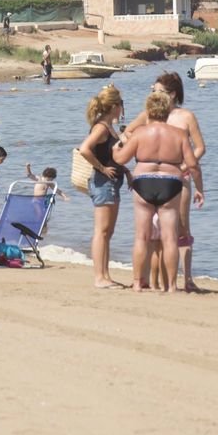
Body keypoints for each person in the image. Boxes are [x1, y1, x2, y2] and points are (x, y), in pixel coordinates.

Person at [124, 72, 207, 291]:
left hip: (179, 177)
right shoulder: (148, 114)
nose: (155, 95)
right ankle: (155, 280)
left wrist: (182, 167)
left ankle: (187, 278)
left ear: (173, 94)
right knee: (153, 232)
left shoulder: (186, 116)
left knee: (181, 228)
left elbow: (200, 148)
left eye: (159, 91)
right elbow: (128, 132)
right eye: (153, 91)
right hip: (153, 179)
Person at [77, 85, 126, 289]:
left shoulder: (108, 126)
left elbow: (110, 155)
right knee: (101, 231)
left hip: (111, 183)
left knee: (108, 232)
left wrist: (127, 172)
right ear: (114, 106)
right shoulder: (101, 127)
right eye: (121, 104)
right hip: (103, 182)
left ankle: (105, 275)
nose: (122, 108)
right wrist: (102, 168)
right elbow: (84, 149)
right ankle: (99, 277)